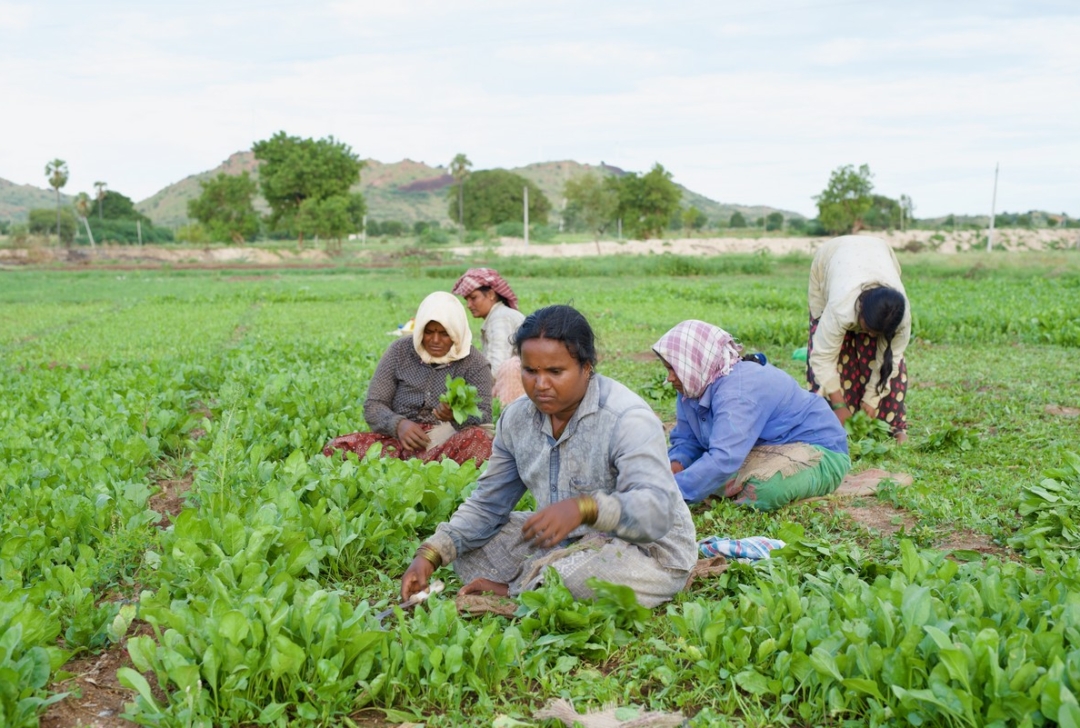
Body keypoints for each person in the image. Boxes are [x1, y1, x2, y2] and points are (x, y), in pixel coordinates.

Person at [401, 305, 697, 608]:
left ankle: (525, 588)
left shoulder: (626, 418)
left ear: (587, 367)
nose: (540, 385)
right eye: (530, 371)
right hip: (569, 540)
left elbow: (655, 513)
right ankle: (538, 582)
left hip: (645, 550)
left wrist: (587, 508)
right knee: (470, 549)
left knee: (577, 579)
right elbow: (489, 503)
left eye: (555, 372)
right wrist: (431, 553)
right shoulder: (516, 419)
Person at [653, 320, 850, 511]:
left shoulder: (737, 392)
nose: (669, 377)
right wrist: (675, 466)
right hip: (762, 447)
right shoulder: (692, 385)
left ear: (695, 362)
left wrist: (666, 493)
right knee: (698, 473)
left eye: (673, 368)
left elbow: (724, 458)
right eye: (667, 368)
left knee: (763, 489)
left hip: (819, 450)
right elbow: (687, 440)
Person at [323, 291, 494, 465]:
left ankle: (411, 467)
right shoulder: (400, 351)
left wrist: (455, 416)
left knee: (479, 441)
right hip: (399, 443)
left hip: (447, 444)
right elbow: (373, 405)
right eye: (428, 332)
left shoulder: (475, 363)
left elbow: (484, 415)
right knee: (337, 448)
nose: (435, 340)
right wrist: (398, 425)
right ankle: (420, 466)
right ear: (419, 331)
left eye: (444, 334)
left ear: (457, 333)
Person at [806, 235, 911, 442]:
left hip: (879, 253)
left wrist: (872, 399)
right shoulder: (840, 307)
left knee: (887, 359)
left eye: (877, 334)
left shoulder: (901, 317)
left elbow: (892, 359)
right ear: (860, 311)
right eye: (869, 329)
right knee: (838, 355)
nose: (871, 336)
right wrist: (839, 405)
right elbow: (823, 357)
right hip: (831, 259)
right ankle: (832, 424)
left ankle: (893, 426)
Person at [452, 268, 527, 403]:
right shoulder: (498, 315)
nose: (469, 305)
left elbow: (496, 366)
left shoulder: (500, 318)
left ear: (491, 294)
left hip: (515, 385)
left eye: (473, 298)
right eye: (466, 299)